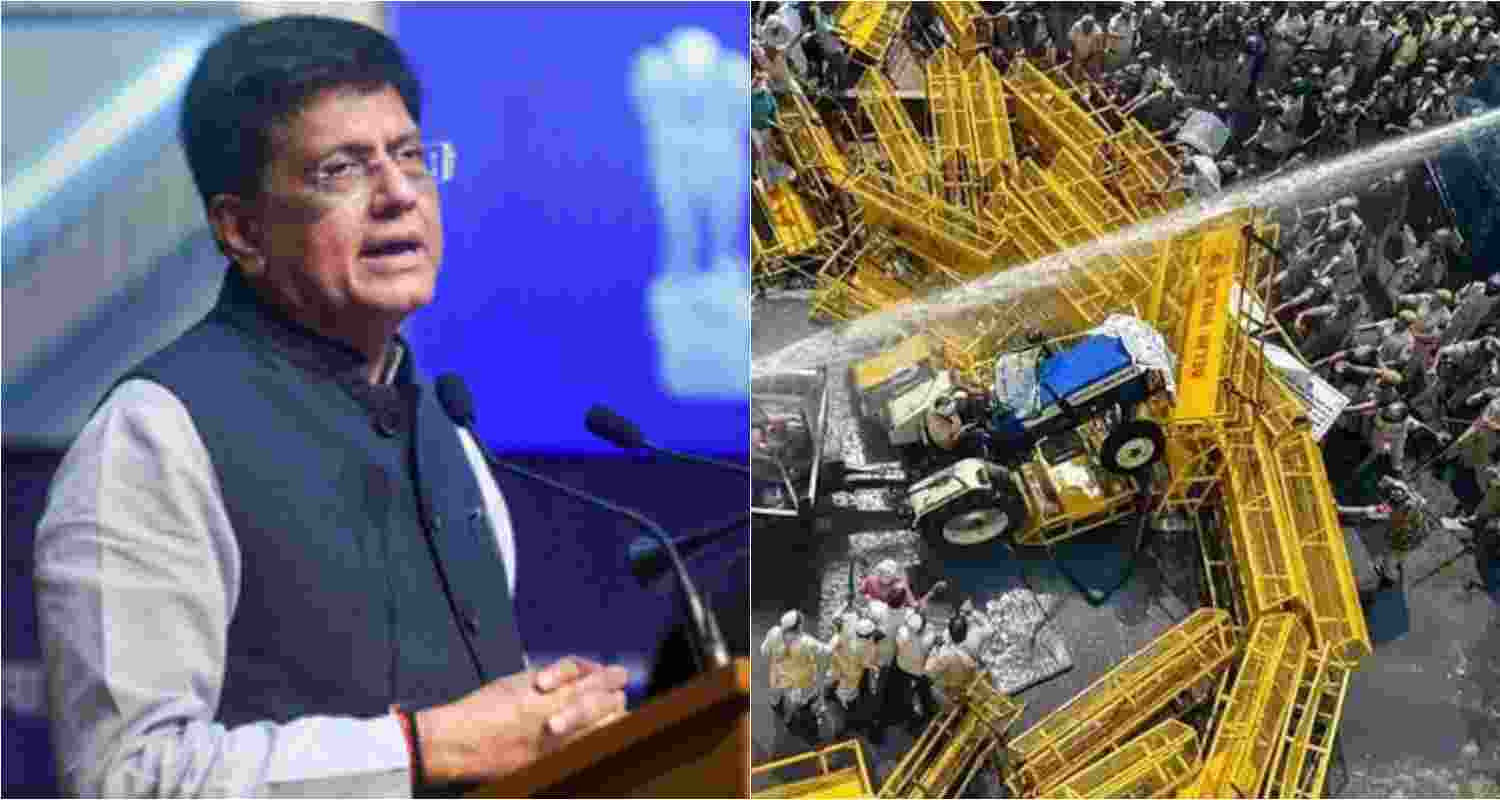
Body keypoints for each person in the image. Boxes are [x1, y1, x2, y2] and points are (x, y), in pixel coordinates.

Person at [31, 16, 632, 797]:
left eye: (410, 156)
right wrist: (420, 749)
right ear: (240, 228)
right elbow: (127, 776)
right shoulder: (154, 435)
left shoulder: (449, 436)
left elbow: (493, 743)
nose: (397, 194)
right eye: (340, 170)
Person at [761, 610, 830, 735]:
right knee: (796, 702)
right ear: (798, 627)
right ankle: (788, 720)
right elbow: (826, 652)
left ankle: (776, 705)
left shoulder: (774, 632)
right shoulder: (807, 642)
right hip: (799, 682)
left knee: (776, 695)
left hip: (779, 677)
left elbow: (764, 651)